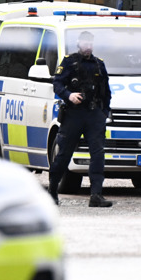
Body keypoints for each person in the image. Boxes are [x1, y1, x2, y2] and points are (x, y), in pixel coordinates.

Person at [48, 30, 113, 208]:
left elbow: (106, 92)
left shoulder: (99, 64)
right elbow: (57, 84)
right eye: (85, 43)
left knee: (98, 154)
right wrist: (69, 95)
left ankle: (96, 195)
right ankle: (52, 191)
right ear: (78, 43)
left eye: (91, 43)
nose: (88, 46)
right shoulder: (69, 62)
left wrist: (103, 113)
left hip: (94, 116)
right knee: (64, 154)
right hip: (74, 114)